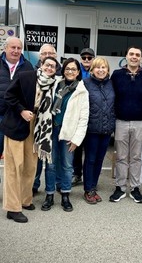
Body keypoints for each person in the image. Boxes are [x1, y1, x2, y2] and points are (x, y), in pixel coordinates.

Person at [0, 56, 59, 223]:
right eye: (47, 65)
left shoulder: (53, 85)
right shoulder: (26, 76)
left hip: (37, 127)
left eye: (53, 67)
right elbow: (9, 96)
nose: (49, 68)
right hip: (18, 123)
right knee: (14, 166)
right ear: (41, 64)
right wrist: (21, 111)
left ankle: (25, 200)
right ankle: (12, 208)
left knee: (30, 165)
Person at [41, 58, 89, 212]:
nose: (70, 71)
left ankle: (65, 195)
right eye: (68, 68)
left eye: (73, 69)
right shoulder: (55, 85)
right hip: (52, 131)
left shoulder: (82, 91)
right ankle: (49, 195)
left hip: (69, 134)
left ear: (78, 72)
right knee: (51, 164)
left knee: (67, 166)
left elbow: (84, 118)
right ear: (63, 70)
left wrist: (77, 140)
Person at [109, 46, 142, 203]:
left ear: (141, 58)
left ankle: (135, 188)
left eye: (137, 55)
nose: (134, 57)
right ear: (126, 56)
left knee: (136, 157)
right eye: (131, 54)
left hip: (140, 123)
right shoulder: (116, 75)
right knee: (121, 157)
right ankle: (120, 187)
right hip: (120, 122)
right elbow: (110, 97)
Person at [0, 37, 33, 183]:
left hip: (17, 118)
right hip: (0, 115)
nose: (16, 51)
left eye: (19, 48)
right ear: (5, 48)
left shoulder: (27, 66)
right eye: (12, 47)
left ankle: (17, 192)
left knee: (15, 159)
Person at [82, 57, 115, 204]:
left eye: (104, 67)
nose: (101, 70)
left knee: (100, 159)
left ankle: (93, 185)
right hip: (91, 129)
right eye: (97, 67)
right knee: (90, 159)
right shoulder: (85, 84)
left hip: (107, 129)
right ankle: (88, 189)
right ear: (92, 70)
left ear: (107, 69)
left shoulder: (112, 84)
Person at [33, 43, 62, 195]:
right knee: (36, 156)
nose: (48, 55)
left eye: (51, 53)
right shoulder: (33, 75)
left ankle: (53, 187)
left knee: (52, 158)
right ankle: (34, 184)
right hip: (35, 124)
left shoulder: (60, 79)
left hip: (53, 124)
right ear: (40, 57)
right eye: (44, 53)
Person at [72, 47, 95, 187]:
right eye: (84, 57)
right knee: (76, 148)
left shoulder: (99, 71)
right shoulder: (75, 70)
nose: (86, 60)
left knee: (90, 150)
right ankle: (76, 174)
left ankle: (89, 177)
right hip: (77, 115)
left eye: (89, 57)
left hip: (93, 115)